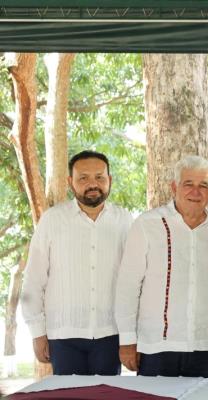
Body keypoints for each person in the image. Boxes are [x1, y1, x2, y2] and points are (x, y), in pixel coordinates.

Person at [21, 150, 133, 375]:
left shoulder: (124, 221)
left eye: (99, 177)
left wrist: (131, 336)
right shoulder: (52, 220)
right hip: (63, 336)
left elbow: (133, 281)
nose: (93, 184)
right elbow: (33, 281)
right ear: (70, 182)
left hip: (110, 335)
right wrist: (37, 332)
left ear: (109, 180)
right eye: (83, 178)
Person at [115, 155, 208, 377]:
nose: (195, 192)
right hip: (156, 347)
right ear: (174, 187)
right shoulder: (147, 224)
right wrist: (127, 341)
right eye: (188, 184)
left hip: (206, 348)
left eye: (203, 186)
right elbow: (128, 286)